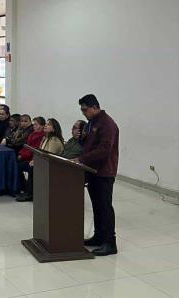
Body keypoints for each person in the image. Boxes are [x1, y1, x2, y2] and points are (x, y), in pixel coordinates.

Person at [73, 94, 119, 256]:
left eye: (85, 110)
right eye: (82, 110)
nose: (83, 113)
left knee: (105, 206)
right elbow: (90, 146)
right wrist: (80, 140)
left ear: (94, 107)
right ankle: (99, 237)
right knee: (97, 206)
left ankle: (110, 242)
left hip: (104, 172)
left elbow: (104, 150)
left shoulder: (107, 124)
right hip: (92, 170)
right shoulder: (92, 122)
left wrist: (81, 159)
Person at [17, 118, 64, 202]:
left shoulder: (54, 140)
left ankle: (30, 194)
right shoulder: (46, 138)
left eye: (48, 124)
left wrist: (36, 162)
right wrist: (34, 160)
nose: (46, 125)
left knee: (32, 168)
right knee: (24, 165)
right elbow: (40, 151)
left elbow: (49, 155)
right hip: (43, 162)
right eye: (46, 124)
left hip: (53, 165)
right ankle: (27, 190)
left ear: (54, 128)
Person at [15, 116, 46, 202]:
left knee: (21, 166)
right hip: (27, 156)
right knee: (17, 165)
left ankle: (27, 190)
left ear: (42, 126)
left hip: (31, 159)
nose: (34, 126)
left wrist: (23, 156)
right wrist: (20, 153)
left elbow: (34, 150)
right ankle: (23, 187)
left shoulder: (41, 136)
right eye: (34, 124)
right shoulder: (32, 134)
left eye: (36, 124)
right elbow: (26, 146)